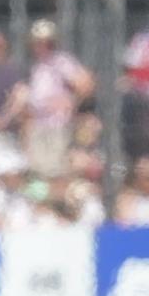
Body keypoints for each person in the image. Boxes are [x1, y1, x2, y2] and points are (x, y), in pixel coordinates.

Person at [22, 19, 93, 179]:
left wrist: (71, 101)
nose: (40, 46)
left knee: (55, 169)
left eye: (44, 42)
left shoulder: (61, 61)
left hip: (57, 125)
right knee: (38, 169)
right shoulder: (38, 66)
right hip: (38, 124)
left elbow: (85, 83)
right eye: (37, 42)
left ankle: (57, 203)